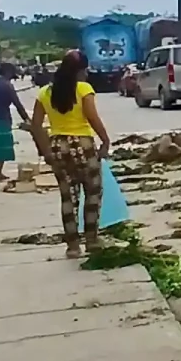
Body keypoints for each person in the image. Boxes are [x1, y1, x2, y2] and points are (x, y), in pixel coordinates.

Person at [30, 51, 112, 259]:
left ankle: (73, 246)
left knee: (68, 196)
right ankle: (92, 240)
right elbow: (92, 117)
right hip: (82, 145)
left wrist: (46, 151)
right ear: (81, 70)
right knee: (92, 192)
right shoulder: (84, 89)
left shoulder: (45, 93)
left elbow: (36, 126)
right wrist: (105, 139)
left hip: (58, 146)